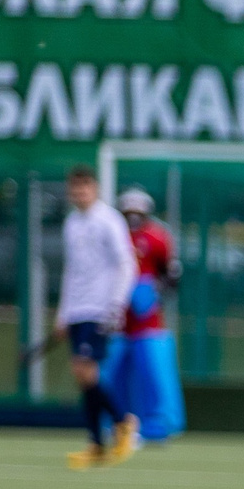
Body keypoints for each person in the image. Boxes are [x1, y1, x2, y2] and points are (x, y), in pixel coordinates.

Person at [56, 166, 138, 470]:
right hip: (77, 310)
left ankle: (122, 421)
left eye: (85, 188)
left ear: (96, 189)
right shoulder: (71, 223)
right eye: (75, 189)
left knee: (84, 370)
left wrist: (117, 305)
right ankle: (96, 444)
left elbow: (126, 265)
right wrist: (64, 314)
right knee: (83, 377)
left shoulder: (109, 220)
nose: (80, 193)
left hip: (100, 308)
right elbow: (71, 271)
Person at [101, 187, 185, 443]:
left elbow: (171, 277)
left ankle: (159, 425)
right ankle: (112, 423)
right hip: (116, 324)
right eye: (129, 212)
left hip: (148, 324)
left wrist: (154, 290)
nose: (134, 218)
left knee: (154, 375)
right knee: (110, 377)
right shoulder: (113, 237)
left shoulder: (157, 238)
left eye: (138, 212)